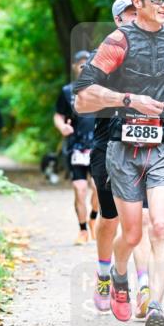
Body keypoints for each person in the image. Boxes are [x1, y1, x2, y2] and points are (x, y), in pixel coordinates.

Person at [74, 0, 164, 326]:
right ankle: (117, 274)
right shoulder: (116, 42)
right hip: (122, 146)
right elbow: (83, 97)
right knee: (130, 234)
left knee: (159, 226)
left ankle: (157, 308)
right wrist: (128, 100)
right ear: (137, 4)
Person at [89, 0, 154, 319]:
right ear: (118, 20)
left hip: (143, 146)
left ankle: (144, 287)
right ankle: (104, 275)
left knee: (140, 219)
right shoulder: (107, 53)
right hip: (107, 144)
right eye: (129, 15)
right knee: (110, 218)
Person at [54, 51, 100, 244]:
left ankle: (93, 217)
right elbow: (58, 115)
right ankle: (82, 230)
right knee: (79, 188)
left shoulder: (102, 90)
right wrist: (62, 126)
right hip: (77, 147)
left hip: (98, 145)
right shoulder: (67, 92)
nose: (83, 67)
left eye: (86, 63)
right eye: (79, 64)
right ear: (74, 67)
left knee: (98, 189)